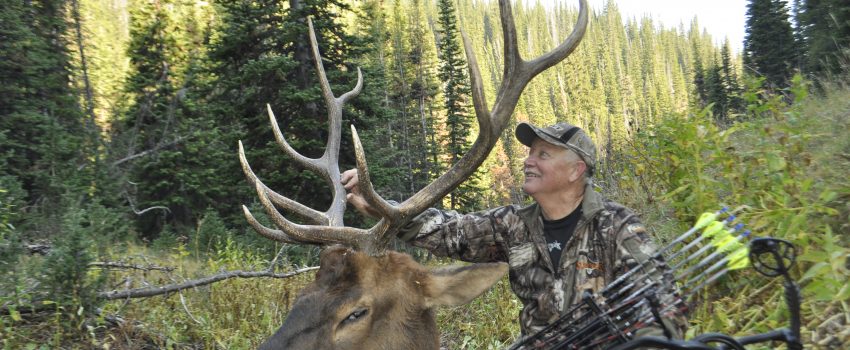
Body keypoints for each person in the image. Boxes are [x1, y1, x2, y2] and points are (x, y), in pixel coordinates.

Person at [341, 121, 686, 341]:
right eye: (530, 153)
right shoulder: (513, 224)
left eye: (543, 154)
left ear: (575, 170)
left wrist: (651, 340)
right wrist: (383, 206)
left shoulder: (616, 226)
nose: (528, 161)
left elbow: (665, 300)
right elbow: (450, 232)